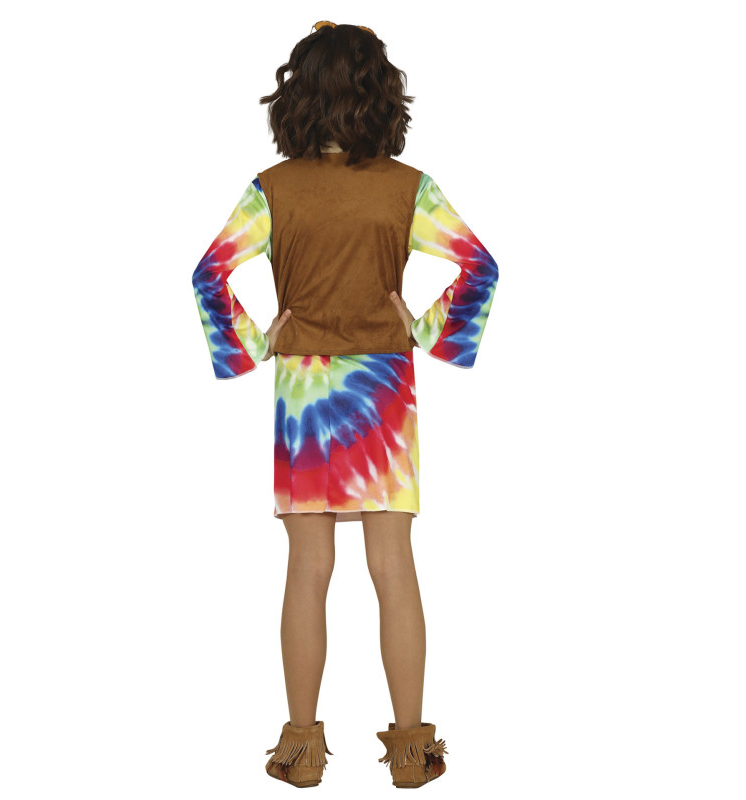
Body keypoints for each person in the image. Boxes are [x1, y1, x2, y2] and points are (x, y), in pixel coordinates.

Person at [191, 19, 499, 789]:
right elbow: (480, 267)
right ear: (379, 94)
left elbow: (207, 273)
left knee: (308, 566)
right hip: (384, 391)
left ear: (297, 95)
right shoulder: (407, 187)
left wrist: (256, 342)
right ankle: (411, 751)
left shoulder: (275, 189)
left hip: (306, 392)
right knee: (393, 565)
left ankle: (301, 749)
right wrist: (424, 327)